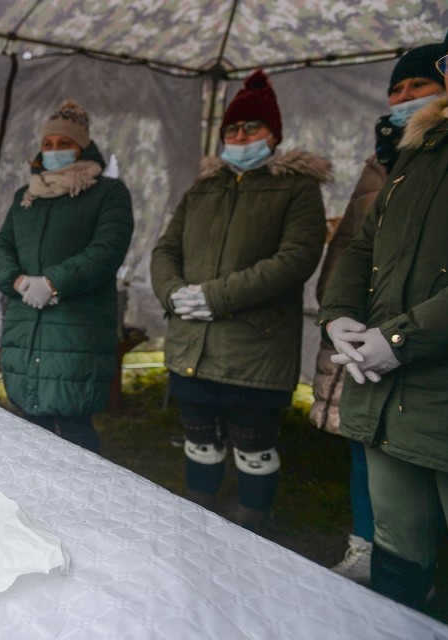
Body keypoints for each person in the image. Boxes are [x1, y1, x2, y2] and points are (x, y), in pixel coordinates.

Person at [150, 70, 329, 531]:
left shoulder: (298, 189)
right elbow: (166, 249)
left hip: (255, 349)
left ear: (274, 135)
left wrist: (215, 296)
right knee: (199, 439)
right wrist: (172, 292)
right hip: (193, 346)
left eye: (251, 128)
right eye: (232, 129)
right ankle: (198, 516)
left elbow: (297, 258)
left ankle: (253, 523)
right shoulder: (203, 189)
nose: (240, 136)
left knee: (254, 445)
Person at [318, 29, 448, 611]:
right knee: (397, 555)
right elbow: (362, 248)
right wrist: (339, 318)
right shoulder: (418, 151)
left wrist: (398, 339)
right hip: (390, 397)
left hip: (435, 390)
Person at [0, 100, 134, 454]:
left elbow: (106, 250)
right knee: (30, 429)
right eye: (48, 144)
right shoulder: (26, 196)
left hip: (76, 329)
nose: (54, 151)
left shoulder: (108, 193)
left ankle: (84, 506)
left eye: (64, 144)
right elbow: (1, 246)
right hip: (27, 328)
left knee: (74, 429)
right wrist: (20, 283)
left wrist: (54, 282)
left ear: (83, 146)